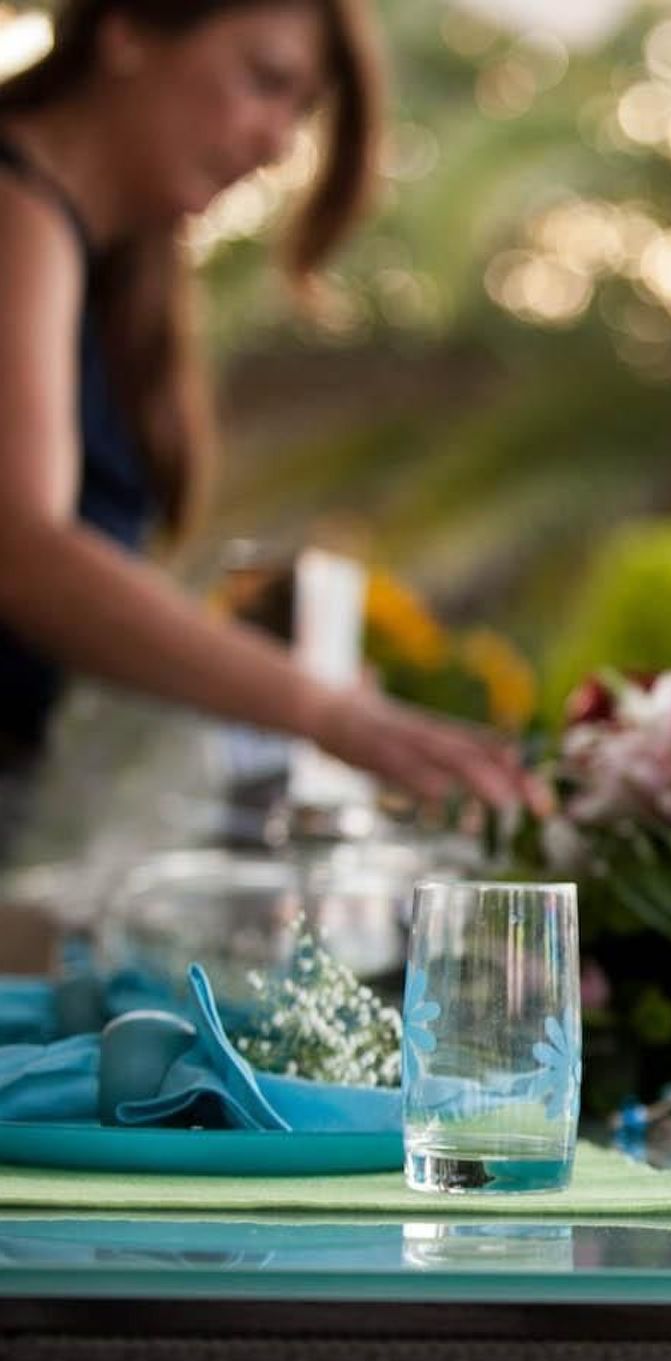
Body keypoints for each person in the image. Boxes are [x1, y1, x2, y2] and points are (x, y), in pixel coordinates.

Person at [0, 0, 529, 844]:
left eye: (301, 110)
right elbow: (23, 552)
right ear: (129, 29)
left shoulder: (114, 272)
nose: (279, 141)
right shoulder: (15, 210)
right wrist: (325, 710)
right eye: (265, 80)